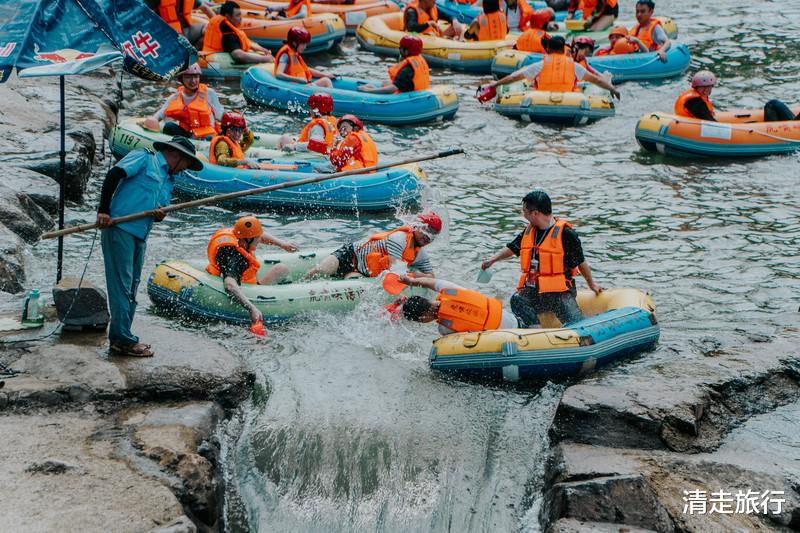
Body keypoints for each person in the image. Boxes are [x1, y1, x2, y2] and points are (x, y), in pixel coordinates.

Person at [96, 137, 204, 357]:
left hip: (140, 235)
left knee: (133, 285)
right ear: (176, 155)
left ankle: (122, 336)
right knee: (121, 285)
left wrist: (159, 215)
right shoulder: (145, 158)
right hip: (120, 228)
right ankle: (122, 340)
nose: (185, 169)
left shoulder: (168, 179)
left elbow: (157, 210)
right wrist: (104, 210)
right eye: (186, 163)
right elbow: (114, 174)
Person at [480, 190, 603, 328]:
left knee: (579, 326)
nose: (523, 214)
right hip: (535, 292)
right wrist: (492, 260)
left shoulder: (566, 234)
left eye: (524, 211)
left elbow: (581, 262)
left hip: (560, 293)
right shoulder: (530, 231)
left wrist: (591, 284)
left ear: (535, 213)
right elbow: (513, 248)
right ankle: (534, 333)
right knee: (517, 299)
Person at [206, 216, 298, 327]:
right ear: (248, 240)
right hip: (246, 290)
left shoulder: (237, 236)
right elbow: (229, 284)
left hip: (216, 276)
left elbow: (259, 236)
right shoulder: (238, 259)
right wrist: (251, 309)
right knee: (282, 269)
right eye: (257, 238)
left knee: (282, 268)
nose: (259, 240)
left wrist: (282, 244)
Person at [303, 212, 441, 280]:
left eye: (433, 235)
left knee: (351, 282)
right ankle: (303, 281)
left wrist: (416, 275)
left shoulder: (420, 255)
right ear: (416, 226)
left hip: (362, 272)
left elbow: (431, 277)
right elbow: (396, 269)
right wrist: (416, 275)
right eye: (426, 231)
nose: (428, 237)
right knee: (324, 270)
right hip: (350, 254)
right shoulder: (399, 239)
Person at [481, 35, 621, 100]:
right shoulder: (574, 66)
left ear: (548, 49)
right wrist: (613, 89)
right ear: (563, 49)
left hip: (540, 100)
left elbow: (514, 77)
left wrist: (496, 83)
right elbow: (596, 80)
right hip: (570, 102)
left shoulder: (540, 65)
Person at [395, 276, 518, 335]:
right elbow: (431, 282)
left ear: (422, 319)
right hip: (515, 321)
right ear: (426, 300)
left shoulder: (445, 328)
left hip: (509, 337)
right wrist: (411, 282)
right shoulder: (450, 291)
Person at [675, 71, 799, 122]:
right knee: (773, 104)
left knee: (772, 104)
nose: (706, 90)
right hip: (692, 126)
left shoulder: (695, 98)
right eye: (703, 87)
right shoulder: (696, 102)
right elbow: (710, 123)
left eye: (709, 87)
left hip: (689, 123)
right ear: (696, 87)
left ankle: (793, 124)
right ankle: (795, 124)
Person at [142, 63, 223, 139]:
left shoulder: (209, 93)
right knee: (169, 126)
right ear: (181, 79)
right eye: (188, 77)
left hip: (207, 137)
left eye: (196, 77)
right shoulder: (175, 97)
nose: (193, 81)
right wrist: (149, 122)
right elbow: (159, 115)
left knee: (209, 137)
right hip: (187, 136)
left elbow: (221, 115)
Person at [202, 1, 275, 64]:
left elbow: (246, 43)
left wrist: (260, 49)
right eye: (237, 15)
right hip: (213, 59)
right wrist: (265, 59)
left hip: (208, 52)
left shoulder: (221, 22)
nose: (240, 18)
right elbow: (238, 55)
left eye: (240, 15)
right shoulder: (228, 34)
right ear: (227, 16)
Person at [358, 35, 430, 93]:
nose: (400, 50)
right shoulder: (419, 60)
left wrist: (369, 90)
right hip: (419, 92)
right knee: (385, 83)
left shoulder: (407, 69)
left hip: (408, 98)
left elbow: (393, 88)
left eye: (401, 48)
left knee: (381, 86)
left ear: (406, 51)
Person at [149, 0, 216, 47]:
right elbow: (143, 11)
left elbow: (205, 8)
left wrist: (219, 22)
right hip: (169, 33)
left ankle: (195, 51)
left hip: (187, 30)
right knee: (183, 40)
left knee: (209, 29)